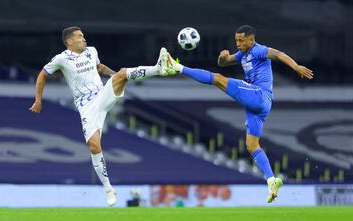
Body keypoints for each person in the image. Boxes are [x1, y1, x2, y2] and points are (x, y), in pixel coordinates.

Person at [164, 25, 314, 203]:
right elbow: (225, 63)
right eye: (236, 40)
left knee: (218, 79)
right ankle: (272, 180)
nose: (238, 43)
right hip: (258, 105)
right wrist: (223, 58)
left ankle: (177, 66)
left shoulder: (259, 50)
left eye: (241, 40)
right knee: (251, 145)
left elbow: (278, 54)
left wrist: (296, 67)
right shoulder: (243, 54)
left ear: (251, 40)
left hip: (259, 94)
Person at [29, 26, 173, 206]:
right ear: (69, 42)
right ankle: (109, 189)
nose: (84, 39)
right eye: (80, 37)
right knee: (94, 146)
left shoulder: (91, 51)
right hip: (86, 107)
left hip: (102, 95)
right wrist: (38, 99)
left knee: (121, 72)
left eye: (83, 36)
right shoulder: (61, 59)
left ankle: (159, 68)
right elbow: (42, 75)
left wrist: (116, 76)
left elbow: (99, 67)